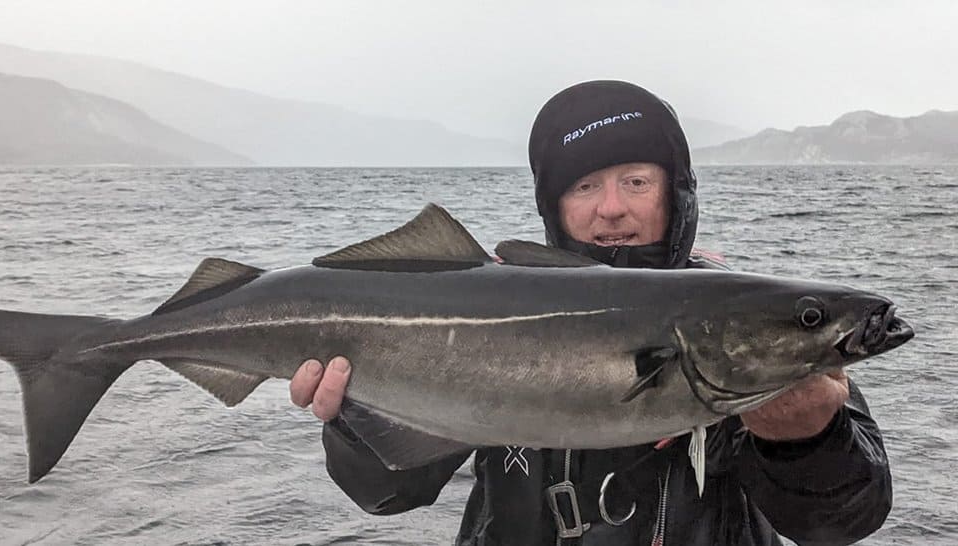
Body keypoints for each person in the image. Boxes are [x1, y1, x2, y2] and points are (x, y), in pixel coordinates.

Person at [289, 81, 892, 545]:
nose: (611, 208)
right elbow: (389, 495)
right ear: (553, 204)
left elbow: (844, 520)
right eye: (584, 186)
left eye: (635, 181)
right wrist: (357, 418)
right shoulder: (484, 300)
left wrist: (809, 440)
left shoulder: (744, 320)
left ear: (674, 190)